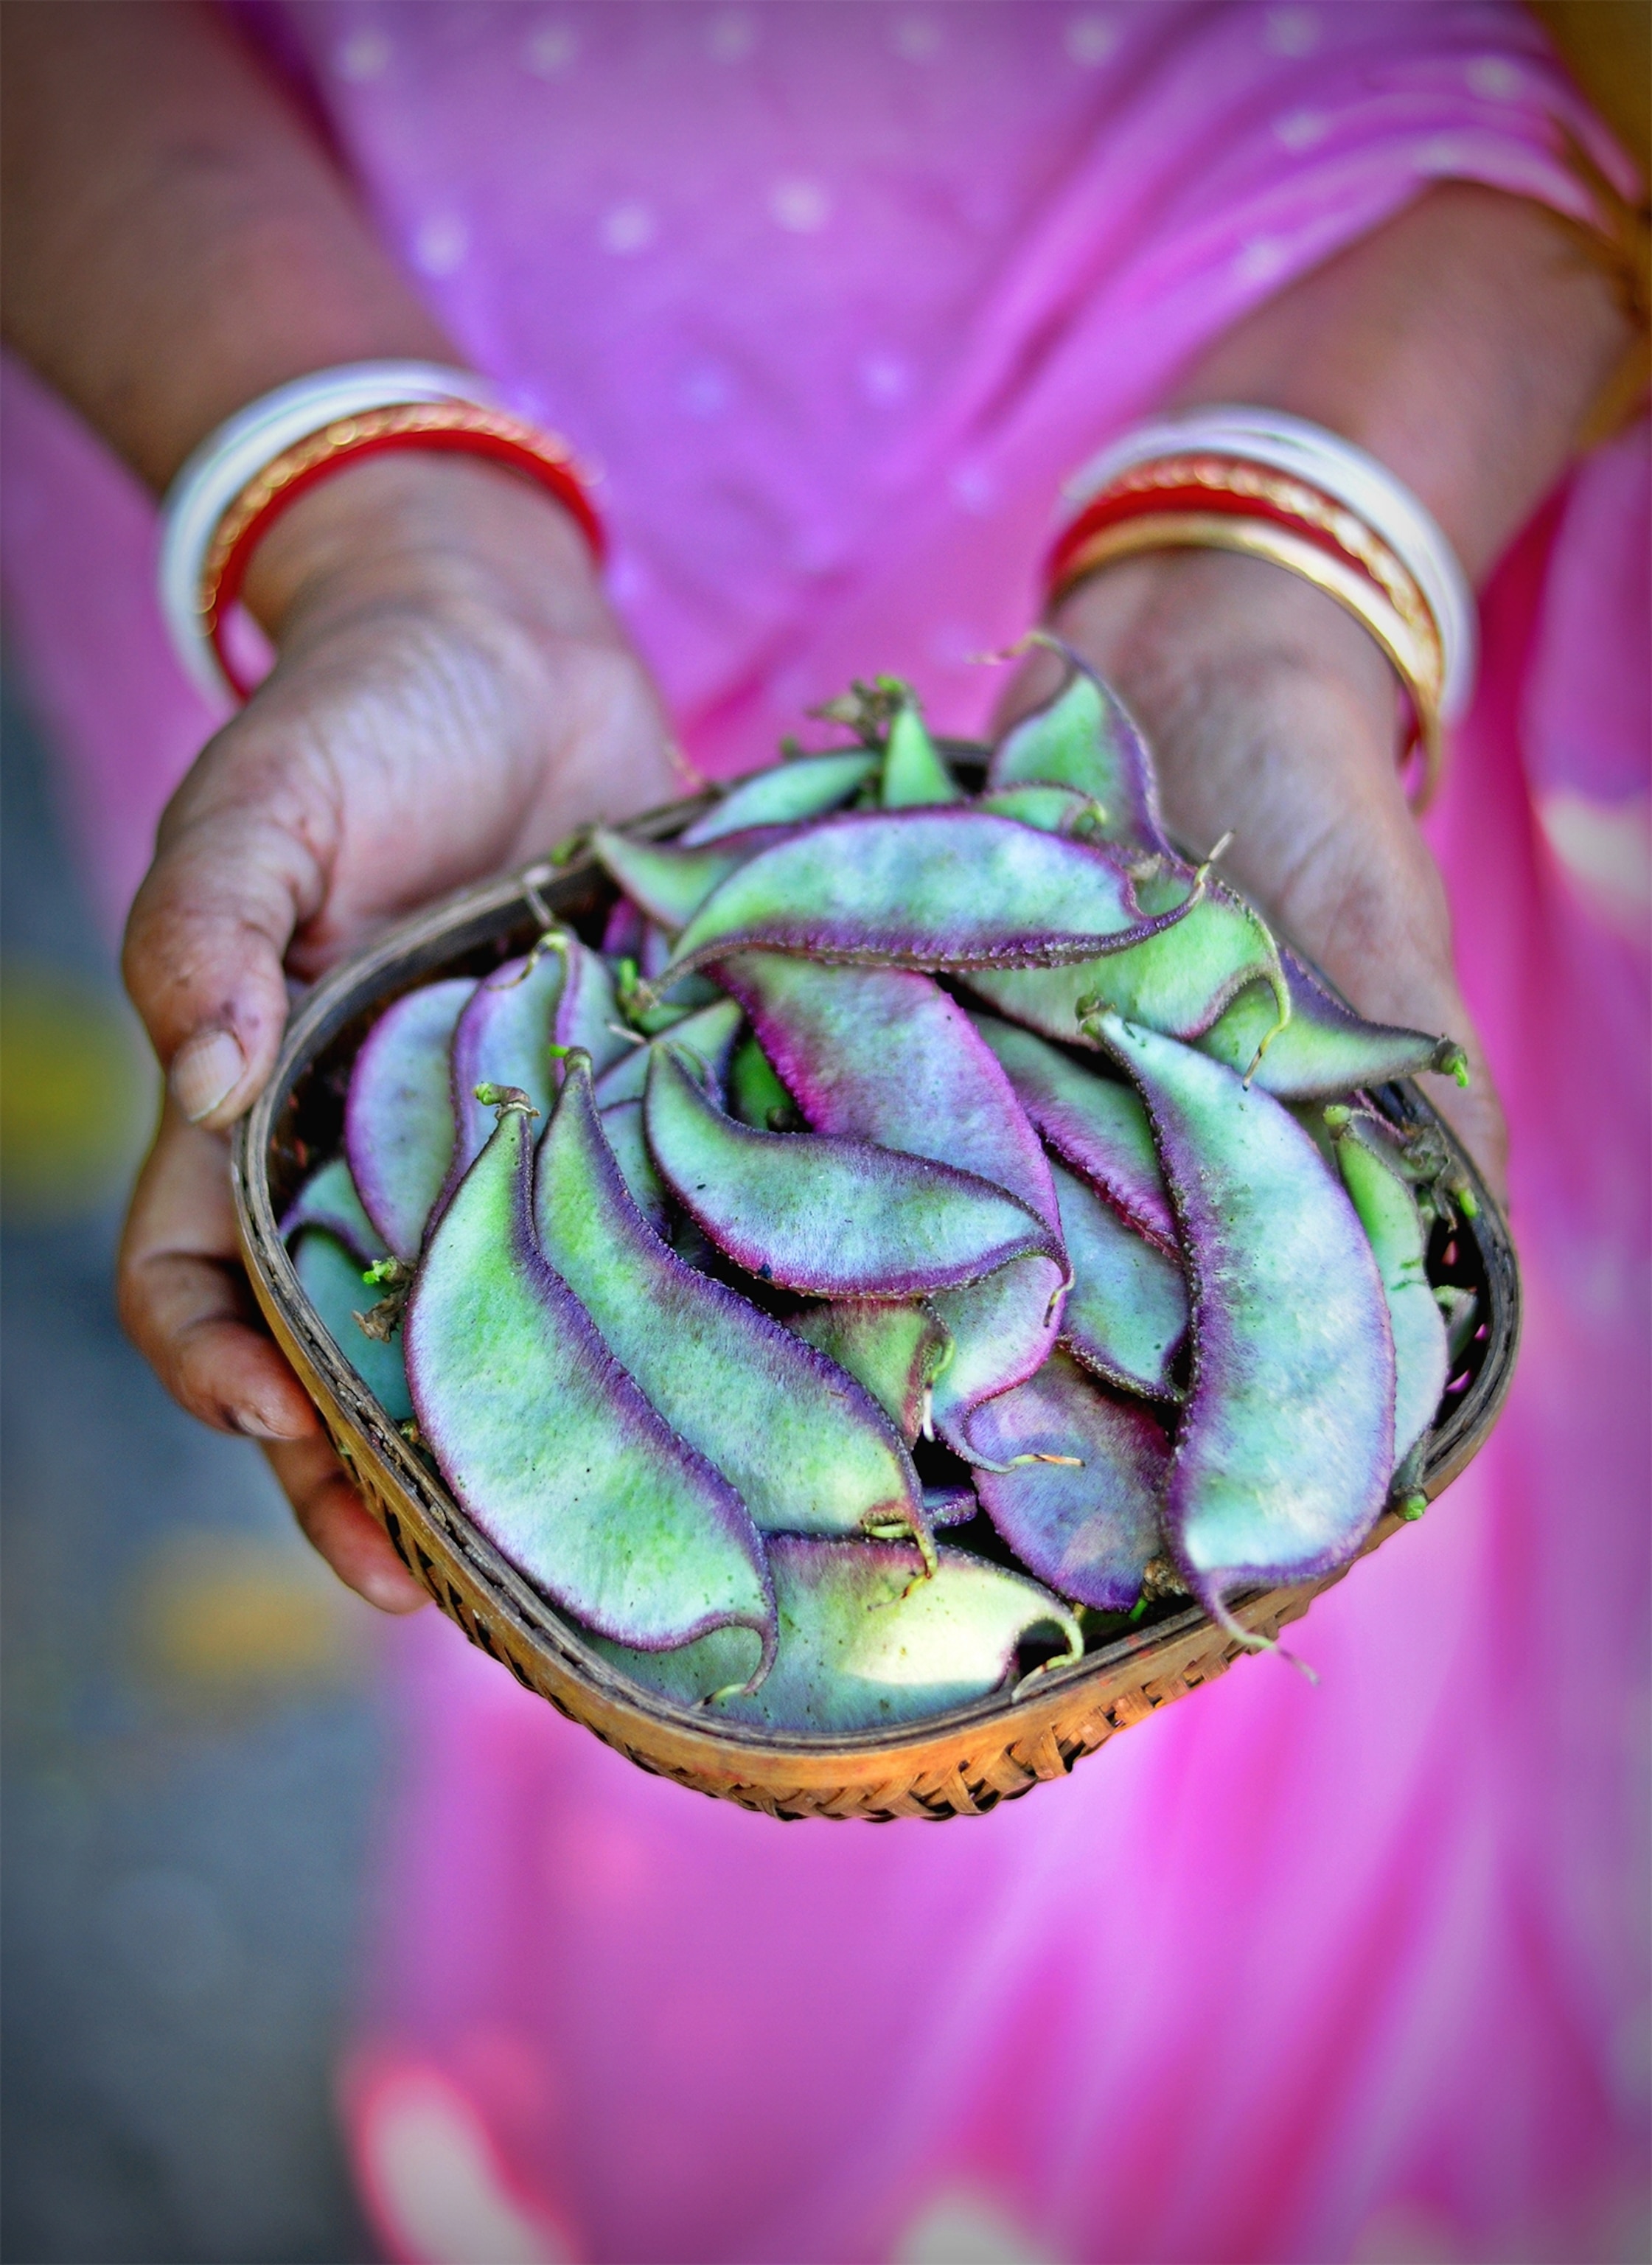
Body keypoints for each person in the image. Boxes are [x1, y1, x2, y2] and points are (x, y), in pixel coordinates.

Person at [4, 4, 1645, 2257]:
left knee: (1336, 1745)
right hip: (279, 311)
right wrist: (368, 517)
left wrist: (1287, 581)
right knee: (667, 1739)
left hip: (1304, 350)